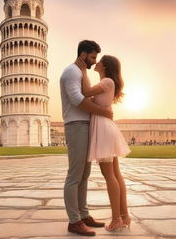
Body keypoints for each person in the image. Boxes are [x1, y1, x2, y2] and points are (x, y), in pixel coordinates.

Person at [60, 40, 113, 237]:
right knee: (75, 175)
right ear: (83, 55)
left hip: (84, 126)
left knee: (84, 175)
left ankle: (83, 215)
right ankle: (74, 221)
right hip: (76, 126)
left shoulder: (79, 73)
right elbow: (77, 99)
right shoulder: (71, 72)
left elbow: (85, 95)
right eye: (92, 57)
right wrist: (103, 112)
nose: (94, 61)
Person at [76, 55, 132, 232]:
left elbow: (84, 92)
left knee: (110, 175)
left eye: (100, 61)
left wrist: (83, 69)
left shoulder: (106, 82)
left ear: (105, 66)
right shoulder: (107, 84)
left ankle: (116, 219)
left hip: (103, 130)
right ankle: (124, 215)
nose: (96, 62)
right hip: (106, 128)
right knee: (115, 174)